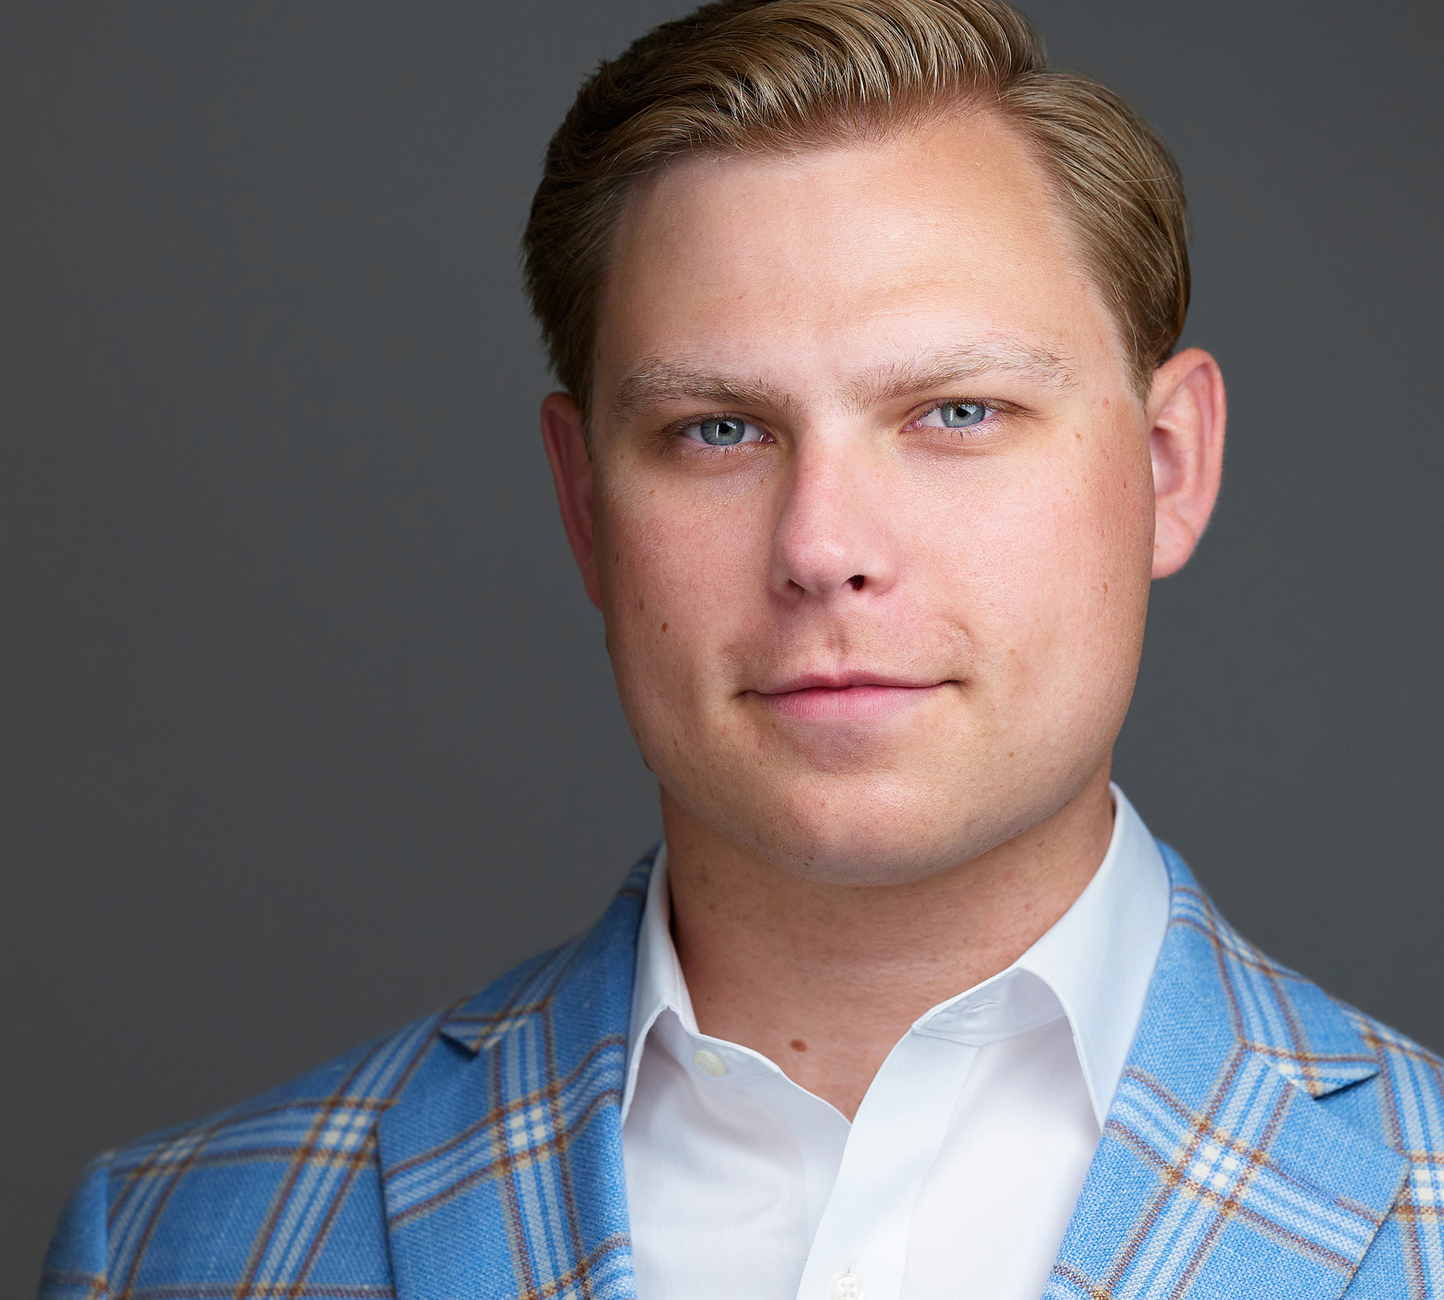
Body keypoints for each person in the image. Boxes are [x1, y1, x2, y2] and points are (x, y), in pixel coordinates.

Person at [39, 1, 1444, 1297]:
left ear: (1167, 464)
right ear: (585, 508)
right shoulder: (165, 1250)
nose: (822, 545)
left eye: (956, 412)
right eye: (717, 430)